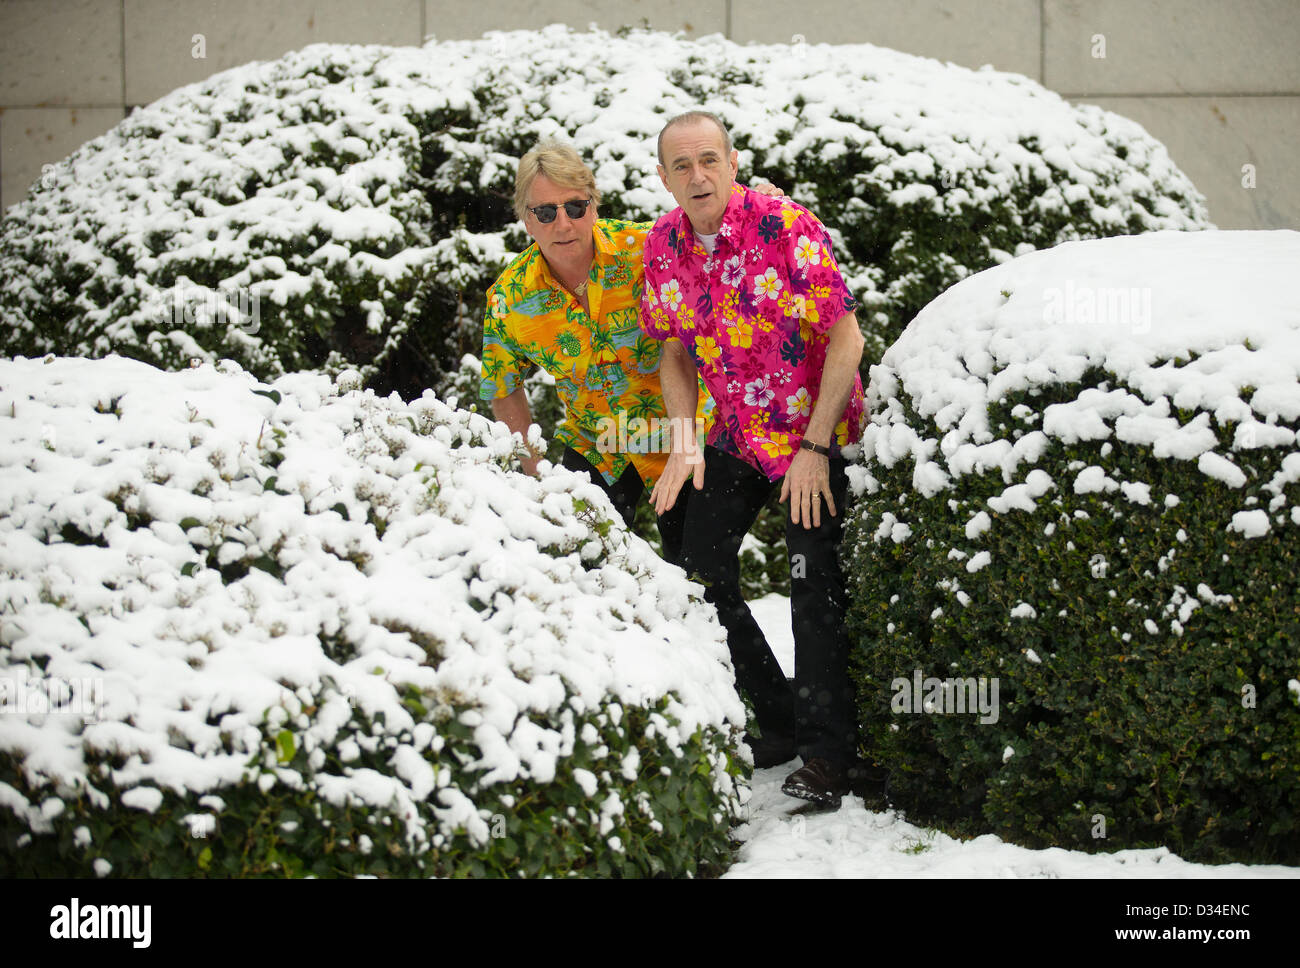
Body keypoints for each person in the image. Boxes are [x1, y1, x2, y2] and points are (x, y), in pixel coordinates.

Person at [640, 111, 867, 808]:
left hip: (814, 430)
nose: (697, 175)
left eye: (709, 159)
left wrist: (816, 446)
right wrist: (685, 444)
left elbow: (847, 339)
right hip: (738, 433)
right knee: (696, 566)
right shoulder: (664, 244)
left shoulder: (783, 224)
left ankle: (831, 758)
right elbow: (673, 352)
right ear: (664, 177)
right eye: (682, 165)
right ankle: (778, 721)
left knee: (812, 581)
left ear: (733, 163)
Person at [480, 141, 780, 565]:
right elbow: (503, 386)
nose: (563, 223)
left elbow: (713, 224)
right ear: (527, 221)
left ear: (594, 204)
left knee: (701, 580)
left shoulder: (648, 247)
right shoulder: (508, 298)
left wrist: (759, 201)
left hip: (685, 433)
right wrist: (535, 473)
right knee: (572, 561)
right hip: (599, 439)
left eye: (576, 207)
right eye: (545, 212)